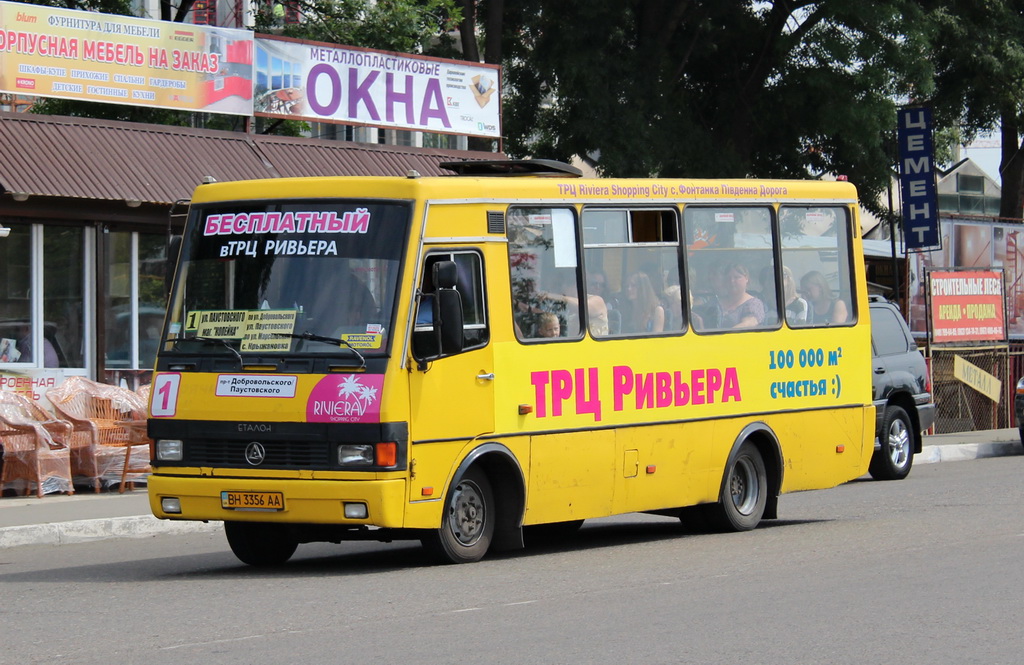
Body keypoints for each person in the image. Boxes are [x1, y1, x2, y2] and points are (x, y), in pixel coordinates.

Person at [715, 262, 765, 329]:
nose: (732, 281)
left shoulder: (754, 304)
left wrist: (724, 335)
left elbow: (749, 323)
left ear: (746, 278)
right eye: (729, 278)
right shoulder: (716, 302)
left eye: (737, 277)